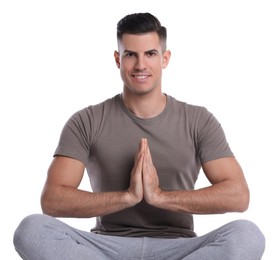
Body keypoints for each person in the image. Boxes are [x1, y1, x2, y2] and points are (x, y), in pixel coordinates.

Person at [13, 12, 265, 260]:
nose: (141, 65)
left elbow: (238, 195)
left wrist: (160, 196)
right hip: (105, 247)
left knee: (247, 235)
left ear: (165, 58)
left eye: (150, 54)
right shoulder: (87, 120)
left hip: (177, 247)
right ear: (117, 59)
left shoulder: (198, 120)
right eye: (130, 54)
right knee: (32, 229)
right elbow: (53, 201)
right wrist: (127, 197)